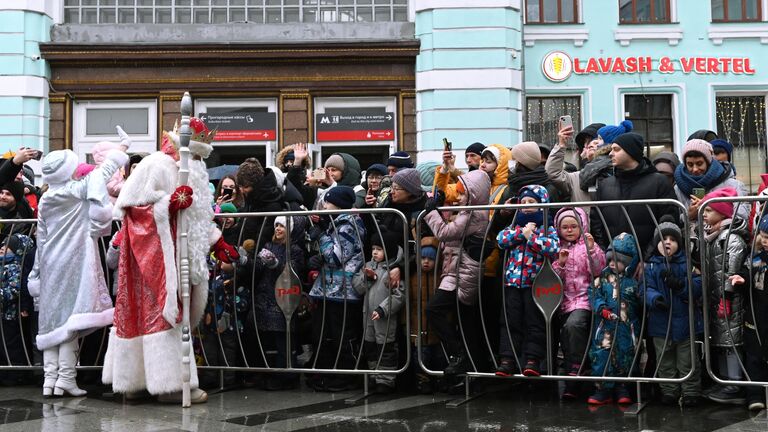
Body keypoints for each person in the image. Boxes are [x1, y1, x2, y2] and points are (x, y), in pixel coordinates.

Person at [102, 118, 239, 403]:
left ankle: (146, 384)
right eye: (196, 155)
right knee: (160, 316)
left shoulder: (192, 172)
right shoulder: (156, 164)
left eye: (202, 157)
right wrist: (169, 204)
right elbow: (133, 208)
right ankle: (163, 386)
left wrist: (216, 240)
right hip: (152, 259)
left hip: (178, 255)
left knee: (173, 316)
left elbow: (196, 217)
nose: (199, 162)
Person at [29, 129, 129, 397]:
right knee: (72, 320)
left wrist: (36, 274)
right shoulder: (77, 190)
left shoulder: (47, 199)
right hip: (76, 262)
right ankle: (66, 379)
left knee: (52, 322)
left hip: (51, 265)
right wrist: (122, 148)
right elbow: (103, 172)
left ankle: (50, 382)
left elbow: (41, 237)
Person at [423, 169, 491, 375]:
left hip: (461, 273)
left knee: (435, 310)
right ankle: (471, 366)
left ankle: (459, 355)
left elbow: (445, 233)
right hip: (456, 270)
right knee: (465, 322)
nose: (459, 197)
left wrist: (430, 212)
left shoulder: (472, 213)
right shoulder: (468, 211)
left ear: (474, 193)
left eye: (462, 194)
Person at [306, 186, 366, 392]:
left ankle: (346, 376)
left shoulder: (349, 224)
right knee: (326, 334)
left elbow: (335, 256)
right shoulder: (335, 223)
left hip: (343, 291)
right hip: (329, 289)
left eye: (327, 201)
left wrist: (321, 236)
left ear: (338, 204)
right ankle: (326, 373)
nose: (323, 205)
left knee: (342, 335)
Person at [495, 185, 560, 377]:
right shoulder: (515, 225)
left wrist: (531, 237)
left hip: (536, 283)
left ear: (542, 205)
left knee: (534, 321)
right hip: (512, 283)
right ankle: (507, 359)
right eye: (523, 202)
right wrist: (520, 233)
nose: (526, 206)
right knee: (509, 320)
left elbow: (553, 247)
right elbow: (501, 239)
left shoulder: (547, 227)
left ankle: (533, 359)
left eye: (532, 202)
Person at [643, 216, 703, 408]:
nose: (668, 242)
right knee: (664, 361)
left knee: (688, 361)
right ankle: (669, 392)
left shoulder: (687, 264)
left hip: (685, 322)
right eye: (663, 238)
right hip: (661, 324)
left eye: (673, 239)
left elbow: (698, 285)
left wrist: (680, 285)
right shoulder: (650, 265)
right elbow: (643, 288)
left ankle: (691, 392)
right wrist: (655, 299)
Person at [698, 187, 748, 405]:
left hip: (729, 300)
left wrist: (727, 297)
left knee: (731, 342)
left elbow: (731, 270)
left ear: (723, 213)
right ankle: (724, 379)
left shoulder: (731, 239)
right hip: (716, 298)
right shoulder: (713, 236)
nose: (705, 214)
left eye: (709, 210)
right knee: (721, 340)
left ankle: (735, 383)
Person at [590, 132, 678, 255]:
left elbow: (667, 223)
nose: (610, 154)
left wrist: (646, 258)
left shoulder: (659, 182)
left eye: (616, 149)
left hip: (649, 264)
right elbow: (596, 224)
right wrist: (607, 254)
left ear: (630, 151)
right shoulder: (605, 185)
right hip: (613, 262)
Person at [551, 207, 605, 399]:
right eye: (565, 227)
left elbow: (598, 270)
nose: (570, 230)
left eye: (574, 226)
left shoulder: (588, 245)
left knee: (574, 326)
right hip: (563, 302)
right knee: (566, 337)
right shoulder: (557, 248)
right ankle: (571, 382)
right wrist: (561, 264)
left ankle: (577, 367)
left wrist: (591, 249)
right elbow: (552, 278)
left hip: (584, 299)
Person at [247, 216, 306, 390]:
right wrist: (246, 261)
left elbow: (294, 271)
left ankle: (286, 376)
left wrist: (276, 263)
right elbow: (258, 267)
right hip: (264, 298)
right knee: (267, 339)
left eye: (282, 226)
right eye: (277, 225)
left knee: (283, 340)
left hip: (284, 298)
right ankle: (270, 373)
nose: (278, 229)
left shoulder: (295, 250)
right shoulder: (268, 246)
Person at [587, 232, 641, 405]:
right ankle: (603, 389)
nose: (611, 263)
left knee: (626, 354)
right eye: (610, 259)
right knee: (602, 355)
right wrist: (601, 307)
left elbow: (639, 302)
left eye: (616, 260)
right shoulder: (602, 278)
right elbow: (594, 294)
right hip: (605, 328)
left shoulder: (634, 281)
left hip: (626, 328)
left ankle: (622, 387)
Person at [353, 228, 404, 394]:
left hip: (385, 318)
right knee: (370, 346)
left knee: (386, 348)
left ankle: (386, 380)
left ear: (387, 250)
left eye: (379, 249)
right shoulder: (368, 266)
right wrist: (366, 278)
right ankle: (374, 375)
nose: (375, 252)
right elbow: (358, 287)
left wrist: (383, 309)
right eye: (373, 249)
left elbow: (399, 295)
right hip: (367, 316)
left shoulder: (394, 270)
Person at [732, 215, 768, 410]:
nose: (765, 241)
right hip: (756, 314)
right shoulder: (754, 258)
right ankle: (755, 394)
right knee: (754, 355)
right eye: (763, 236)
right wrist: (742, 280)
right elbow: (748, 276)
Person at [674, 139, 747, 224]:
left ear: (708, 162)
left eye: (699, 163)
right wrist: (689, 216)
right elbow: (673, 220)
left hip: (723, 235)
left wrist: (721, 223)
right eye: (690, 164)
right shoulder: (678, 188)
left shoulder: (732, 184)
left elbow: (742, 216)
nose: (695, 169)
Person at [0, 234, 35, 386]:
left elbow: (14, 289)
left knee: (13, 345)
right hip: (3, 314)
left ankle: (16, 375)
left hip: (11, 315)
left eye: (8, 245)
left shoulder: (16, 267)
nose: (2, 248)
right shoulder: (3, 266)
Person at [409, 236, 440, 393]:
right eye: (423, 258)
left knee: (437, 355)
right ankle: (422, 381)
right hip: (417, 325)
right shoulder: (413, 276)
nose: (426, 262)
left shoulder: (440, 277)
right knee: (420, 355)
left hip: (436, 326)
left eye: (430, 259)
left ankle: (437, 379)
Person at [578, 120, 633, 197]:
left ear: (608, 141)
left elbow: (584, 180)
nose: (597, 142)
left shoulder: (603, 159)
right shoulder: (604, 158)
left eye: (600, 139)